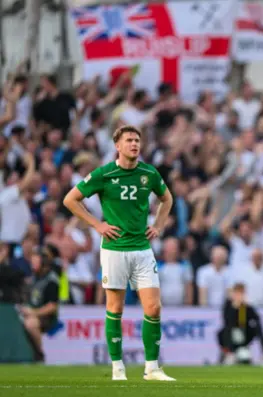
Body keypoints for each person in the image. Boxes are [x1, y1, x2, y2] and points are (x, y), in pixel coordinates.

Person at [63, 125, 175, 381]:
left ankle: (152, 368)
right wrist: (97, 224)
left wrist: (158, 225)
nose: (134, 144)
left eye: (137, 140)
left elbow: (167, 199)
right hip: (114, 250)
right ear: (118, 145)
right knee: (115, 307)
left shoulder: (149, 173)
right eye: (129, 140)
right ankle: (117, 367)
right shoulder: (104, 173)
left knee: (154, 308)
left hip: (143, 250)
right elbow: (70, 199)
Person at [217, 283, 263, 366]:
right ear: (234, 293)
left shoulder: (245, 307)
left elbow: (256, 318)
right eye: (238, 293)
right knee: (226, 329)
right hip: (231, 336)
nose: (240, 295)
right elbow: (227, 321)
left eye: (242, 293)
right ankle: (230, 354)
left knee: (256, 326)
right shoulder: (228, 305)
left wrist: (245, 306)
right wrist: (235, 307)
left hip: (244, 335)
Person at [19, 246, 60, 362]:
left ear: (43, 262)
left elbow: (52, 306)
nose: (33, 264)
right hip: (28, 311)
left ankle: (40, 353)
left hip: (46, 317)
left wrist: (33, 312)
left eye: (35, 261)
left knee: (30, 323)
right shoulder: (32, 279)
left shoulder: (51, 280)